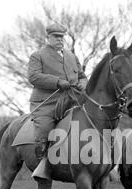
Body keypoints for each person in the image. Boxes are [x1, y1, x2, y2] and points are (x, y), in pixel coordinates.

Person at [27, 23, 88, 166]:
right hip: (48, 102)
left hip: (73, 99)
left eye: (62, 37)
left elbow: (82, 76)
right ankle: (42, 164)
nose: (60, 39)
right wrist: (57, 82)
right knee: (44, 129)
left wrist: (83, 83)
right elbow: (33, 77)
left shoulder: (72, 56)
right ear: (48, 37)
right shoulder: (38, 56)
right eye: (56, 37)